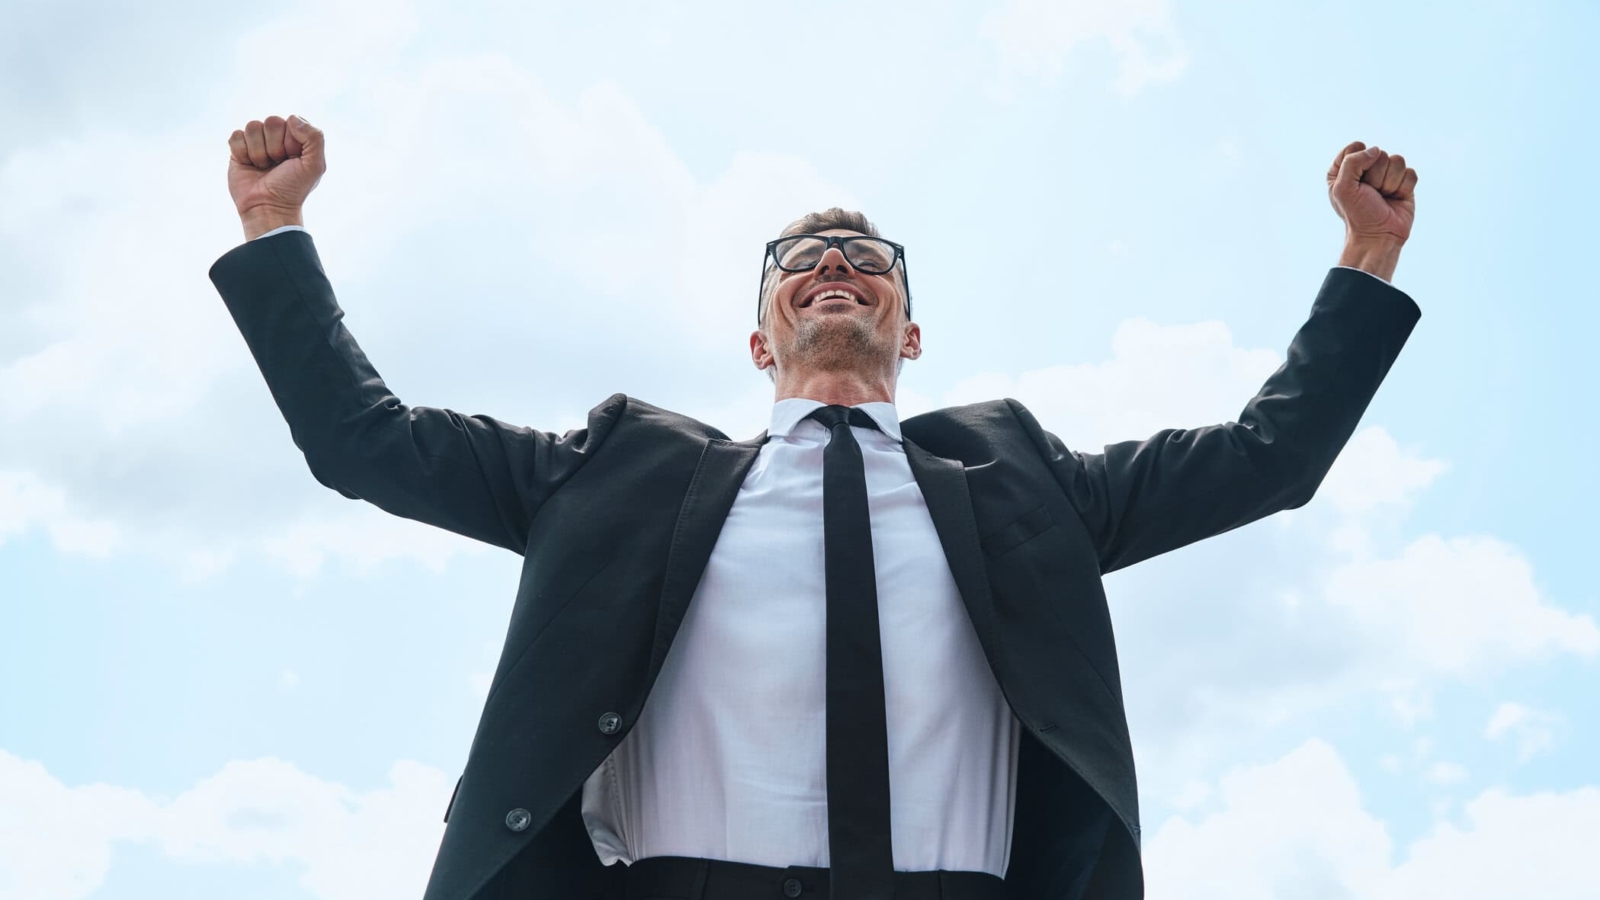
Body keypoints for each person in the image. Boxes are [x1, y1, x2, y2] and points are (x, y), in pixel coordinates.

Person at [212, 114, 1420, 900]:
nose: (834, 259)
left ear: (910, 325)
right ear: (759, 335)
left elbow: (1265, 459)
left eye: (865, 253)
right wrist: (274, 225)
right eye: (800, 257)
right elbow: (366, 444)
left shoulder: (1028, 483)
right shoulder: (619, 468)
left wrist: (1366, 256)